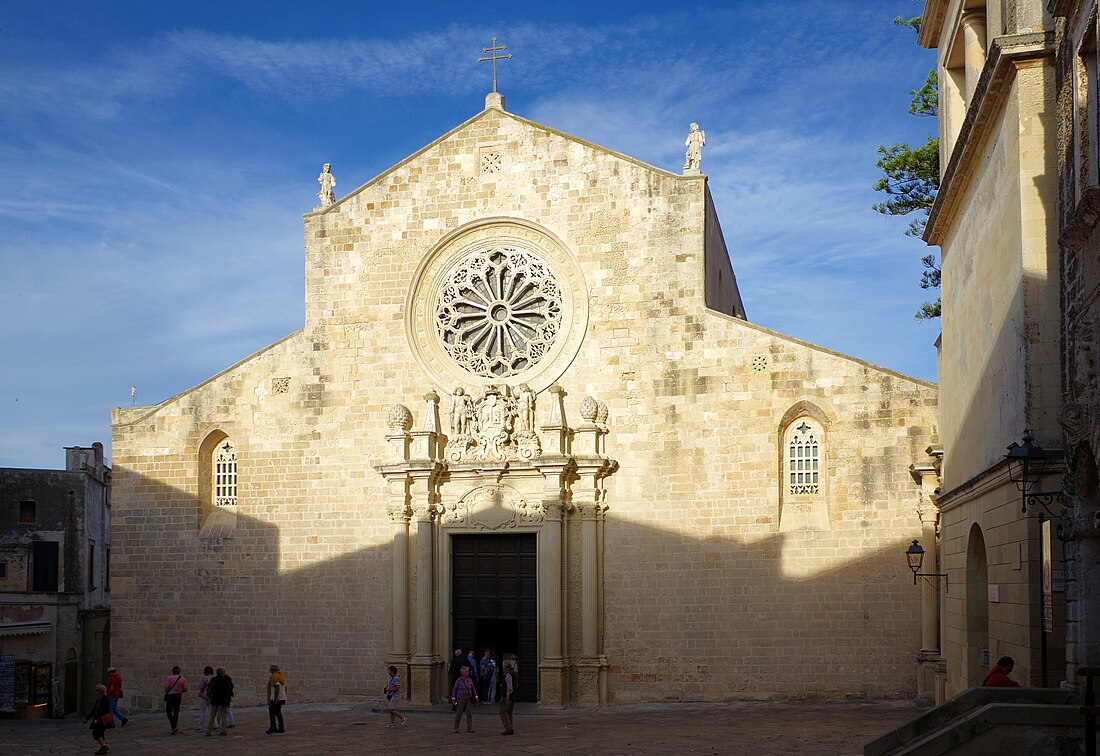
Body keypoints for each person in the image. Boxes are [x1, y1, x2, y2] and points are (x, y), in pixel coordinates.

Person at [84, 683, 112, 754]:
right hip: (98, 719)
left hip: (102, 719)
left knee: (96, 733)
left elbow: (105, 710)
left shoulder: (105, 699)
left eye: (97, 690)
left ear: (100, 691)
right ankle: (103, 748)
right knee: (100, 733)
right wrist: (87, 718)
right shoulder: (98, 700)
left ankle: (104, 746)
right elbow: (94, 710)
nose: (95, 692)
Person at [205, 667, 234, 736]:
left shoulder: (214, 680)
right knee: (224, 715)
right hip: (224, 700)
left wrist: (209, 696)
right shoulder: (226, 680)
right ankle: (224, 731)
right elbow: (230, 688)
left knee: (212, 715)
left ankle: (209, 731)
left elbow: (210, 689)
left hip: (215, 699)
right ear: (223, 673)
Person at [450, 665, 478, 733]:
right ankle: (455, 728)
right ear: (462, 673)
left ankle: (469, 728)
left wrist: (476, 696)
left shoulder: (470, 680)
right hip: (460, 698)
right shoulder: (458, 681)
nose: (468, 673)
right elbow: (455, 690)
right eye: (466, 672)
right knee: (459, 713)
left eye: (468, 671)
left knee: (469, 713)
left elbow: (473, 688)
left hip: (468, 698)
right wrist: (454, 698)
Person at [163, 665, 188, 734]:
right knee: (176, 711)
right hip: (178, 695)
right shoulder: (182, 679)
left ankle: (174, 726)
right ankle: (174, 726)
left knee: (169, 712)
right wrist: (179, 690)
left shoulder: (169, 678)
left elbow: (166, 689)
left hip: (171, 696)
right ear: (179, 671)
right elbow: (186, 689)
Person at [266, 664, 287, 734]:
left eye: (270, 669)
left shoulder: (274, 676)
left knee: (272, 713)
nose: (270, 670)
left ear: (272, 670)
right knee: (278, 713)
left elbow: (277, 687)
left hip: (274, 698)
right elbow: (285, 687)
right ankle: (281, 728)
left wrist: (275, 698)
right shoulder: (281, 676)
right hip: (281, 698)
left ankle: (273, 728)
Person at [498, 659, 516, 736]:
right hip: (513, 696)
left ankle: (508, 728)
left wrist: (507, 696)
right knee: (509, 712)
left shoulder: (508, 674)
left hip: (507, 696)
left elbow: (510, 686)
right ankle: (510, 727)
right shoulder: (515, 673)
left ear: (505, 666)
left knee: (502, 711)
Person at [196, 666, 214, 731]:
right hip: (211, 695)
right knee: (212, 711)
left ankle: (201, 726)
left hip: (204, 695)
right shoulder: (213, 678)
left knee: (202, 711)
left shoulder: (204, 678)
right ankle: (215, 725)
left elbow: (201, 687)